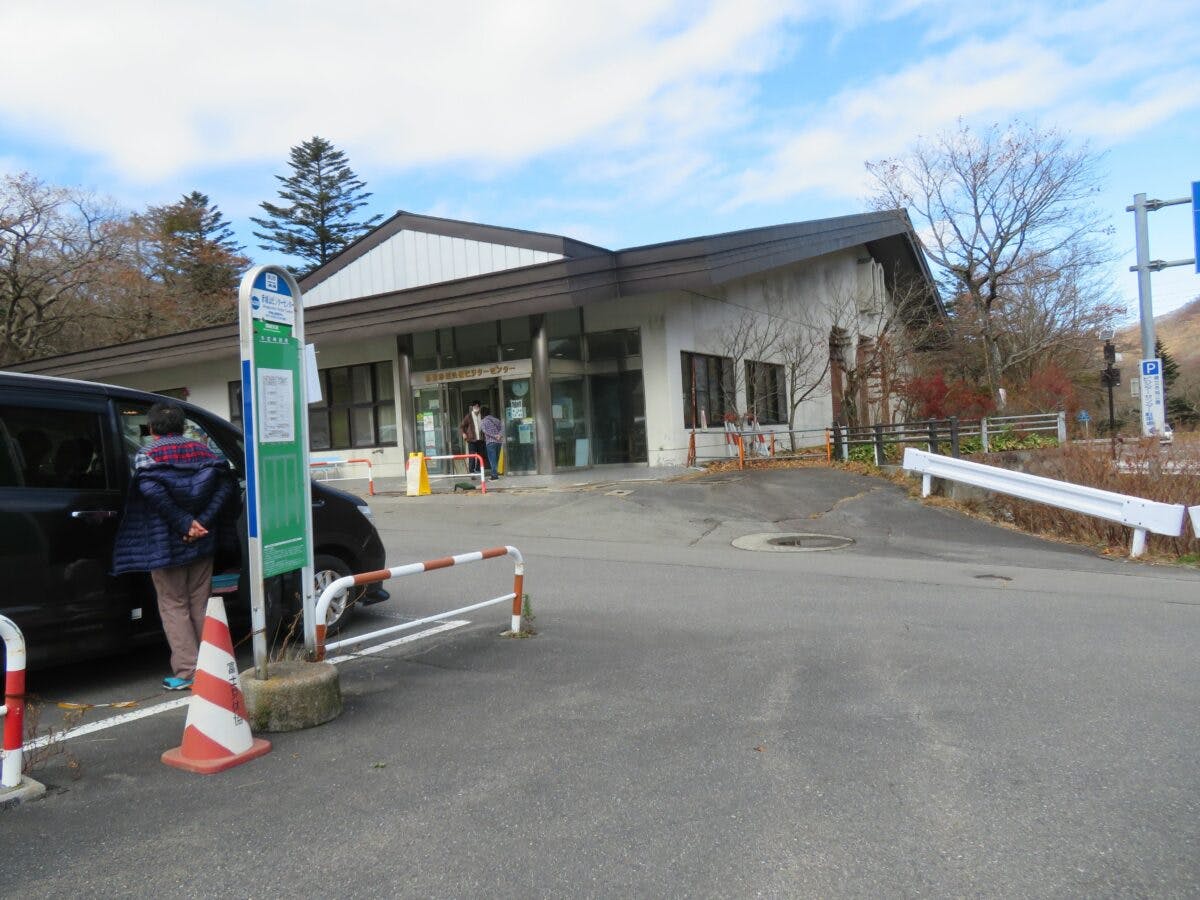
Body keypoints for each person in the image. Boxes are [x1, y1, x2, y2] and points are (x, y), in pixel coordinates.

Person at [113, 403, 237, 690]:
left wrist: (184, 523)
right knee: (200, 602)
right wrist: (200, 523)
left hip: (164, 544)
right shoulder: (206, 453)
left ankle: (188, 671)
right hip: (203, 539)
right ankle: (212, 665)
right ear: (183, 427)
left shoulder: (147, 455)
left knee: (173, 605)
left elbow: (152, 491)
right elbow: (225, 488)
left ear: (152, 429)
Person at [460, 400, 485, 474]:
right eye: (474, 406)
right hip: (471, 440)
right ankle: (471, 471)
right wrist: (463, 433)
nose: (476, 408)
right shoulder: (469, 416)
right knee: (472, 456)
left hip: (480, 439)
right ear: (472, 407)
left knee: (481, 455)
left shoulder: (482, 415)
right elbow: (462, 426)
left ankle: (478, 469)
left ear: (479, 407)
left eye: (477, 406)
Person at [481, 406, 504, 480]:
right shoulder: (496, 420)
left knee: (492, 460)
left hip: (490, 443)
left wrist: (494, 436)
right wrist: (499, 435)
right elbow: (502, 428)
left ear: (482, 414)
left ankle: (494, 475)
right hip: (498, 442)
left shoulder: (483, 421)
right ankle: (495, 473)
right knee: (496, 459)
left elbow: (485, 431)